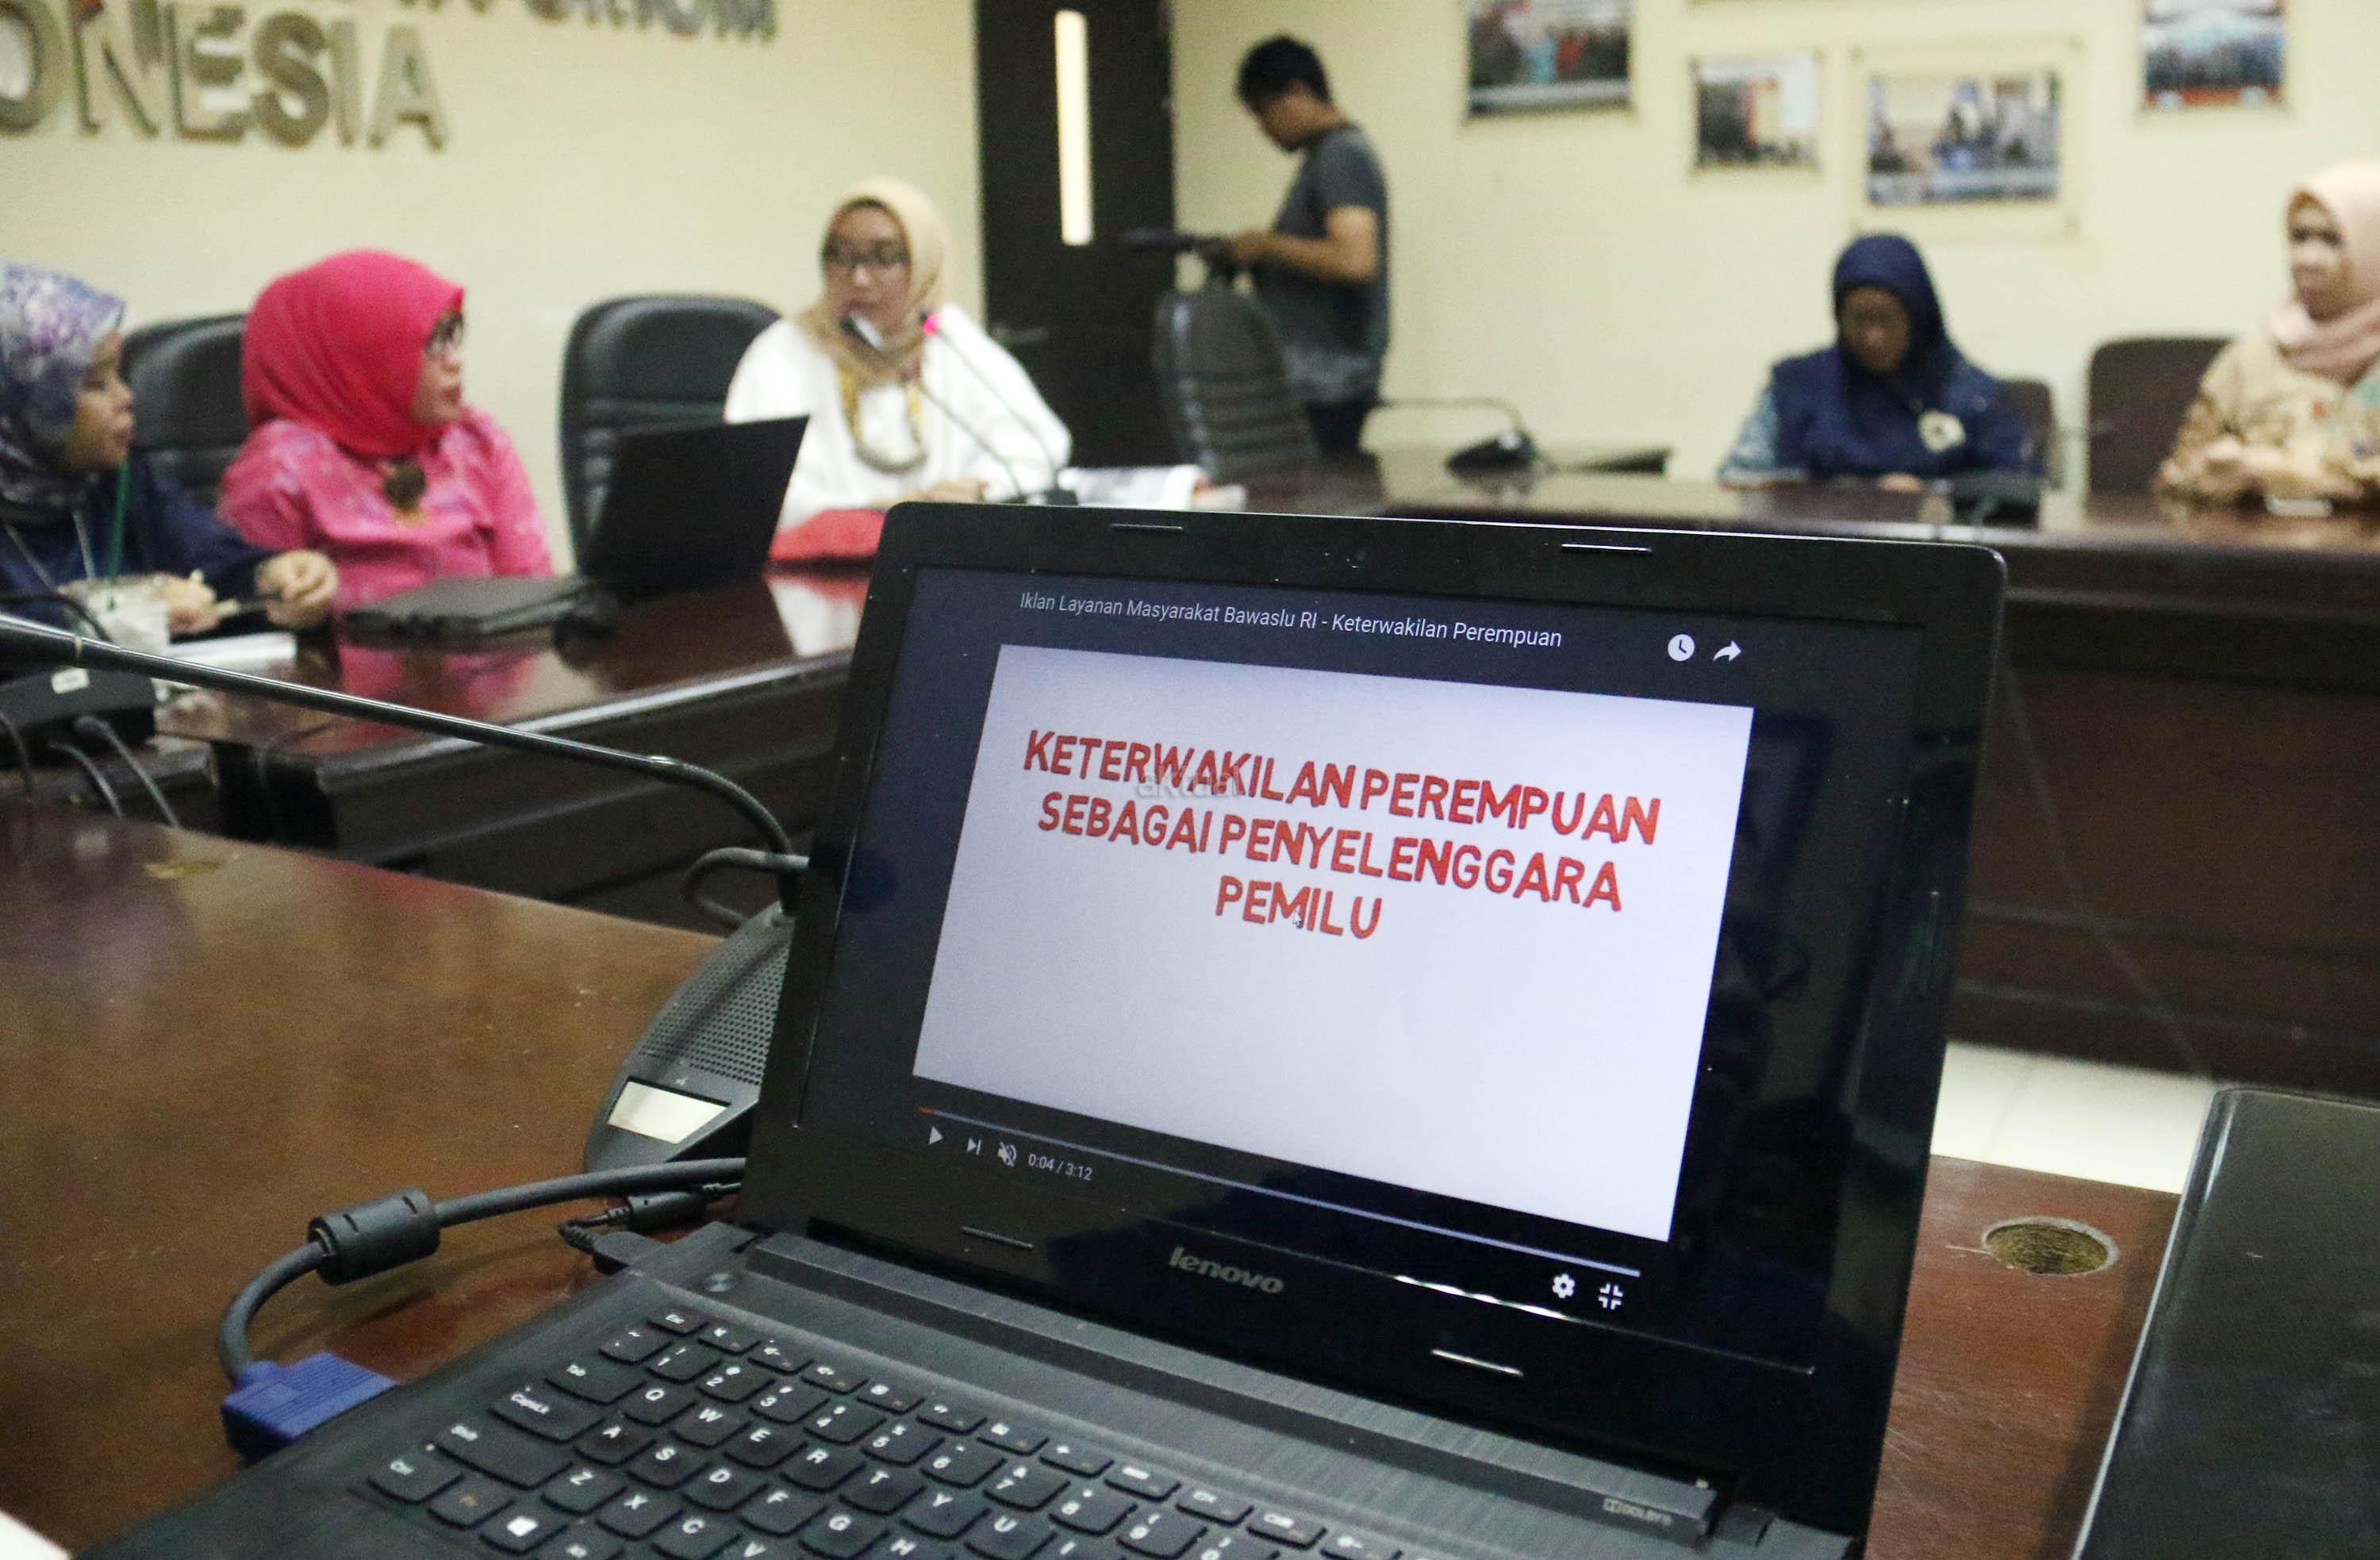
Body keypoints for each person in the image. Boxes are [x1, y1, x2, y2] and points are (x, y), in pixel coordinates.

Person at [0, 263, 336, 636]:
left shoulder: (114, 479)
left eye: (119, 374)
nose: (126, 396)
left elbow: (207, 553)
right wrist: (119, 613)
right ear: (19, 402)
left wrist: (269, 576)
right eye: (96, 383)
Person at [724, 178, 1071, 533]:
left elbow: (1039, 448)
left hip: (943, 549)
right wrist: (884, 512)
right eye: (840, 255)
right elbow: (757, 487)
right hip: (825, 558)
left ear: (924, 265)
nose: (859, 278)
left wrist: (979, 487)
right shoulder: (784, 350)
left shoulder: (946, 335)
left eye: (885, 258)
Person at [218, 250, 552, 609]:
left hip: (491, 641)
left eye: (454, 337)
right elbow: (259, 610)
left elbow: (532, 594)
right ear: (362, 354)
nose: (455, 361)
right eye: (432, 344)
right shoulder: (282, 465)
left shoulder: (476, 441)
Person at [1719, 234, 2035, 490]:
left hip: (1934, 547)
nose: (1873, 337)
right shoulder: (1797, 385)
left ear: (1919, 317)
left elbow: (2022, 487)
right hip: (1815, 543)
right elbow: (1737, 477)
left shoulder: (1972, 395)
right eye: (1858, 320)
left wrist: (1930, 495)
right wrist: (1850, 495)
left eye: (1887, 319)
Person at [2157, 161, 2380, 506]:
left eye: (2332, 240)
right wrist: (2218, 473)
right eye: (2299, 237)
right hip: (2261, 541)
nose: (2307, 258)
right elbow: (2176, 477)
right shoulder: (2251, 357)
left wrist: (2291, 476)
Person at [1212, 35, 1390, 453]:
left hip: (1330, 383)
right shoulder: (1329, 156)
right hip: (1323, 378)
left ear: (1298, 92)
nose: (1263, 128)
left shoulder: (1340, 156)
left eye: (1264, 112)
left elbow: (1356, 260)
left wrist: (1265, 246)